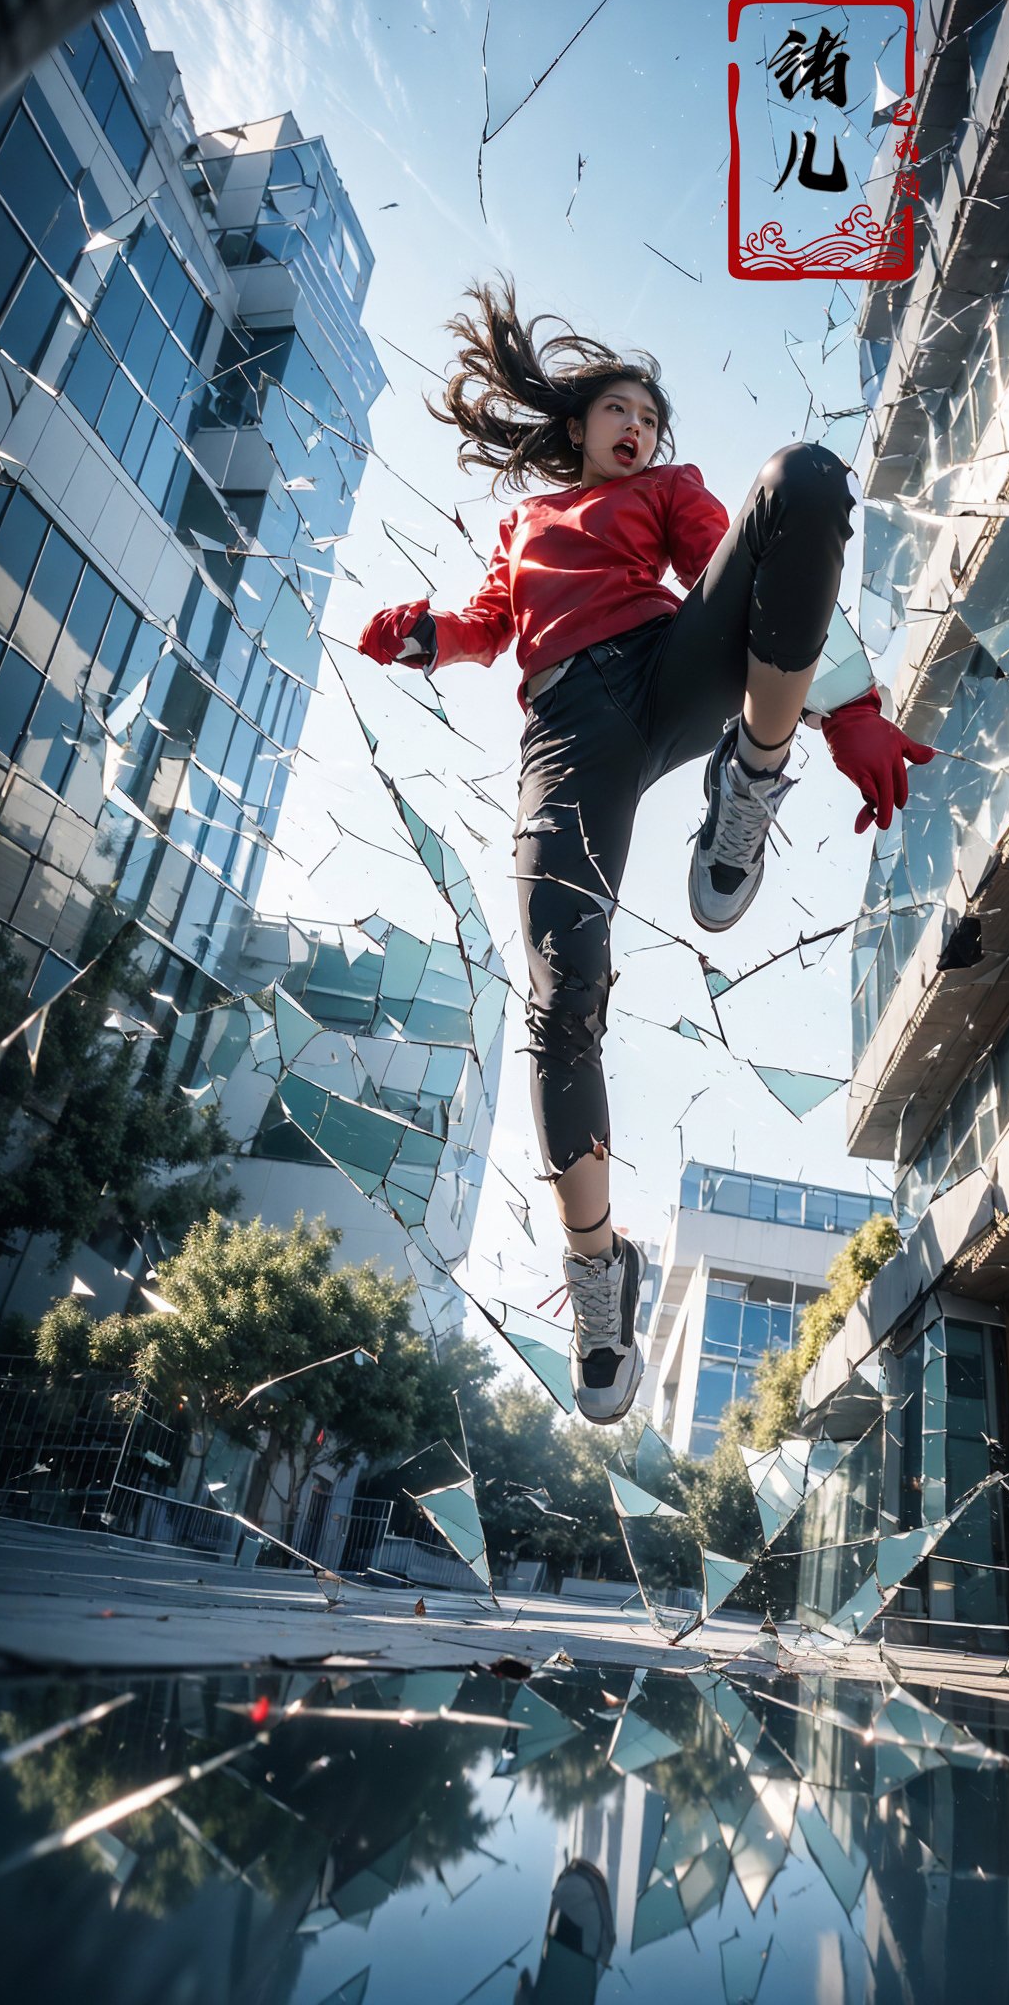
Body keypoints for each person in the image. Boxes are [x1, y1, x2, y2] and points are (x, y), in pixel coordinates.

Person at [358, 274, 932, 1427]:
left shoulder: (667, 492)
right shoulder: (524, 524)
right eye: (621, 411)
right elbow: (486, 625)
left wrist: (847, 707)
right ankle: (595, 1269)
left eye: (653, 420)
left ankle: (750, 775)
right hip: (568, 733)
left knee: (802, 481)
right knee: (560, 994)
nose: (639, 429)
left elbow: (764, 578)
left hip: (670, 668)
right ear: (577, 425)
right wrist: (427, 632)